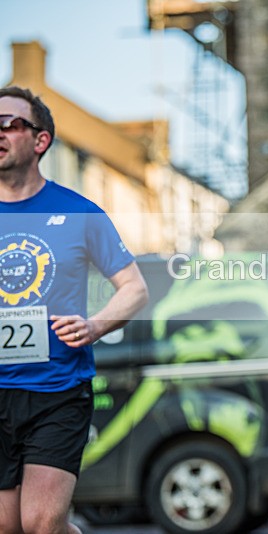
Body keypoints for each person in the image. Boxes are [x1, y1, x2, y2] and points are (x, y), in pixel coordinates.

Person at [0, 86, 148, 534]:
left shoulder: (79, 213)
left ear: (40, 140)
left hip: (57, 389)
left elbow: (134, 289)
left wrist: (94, 325)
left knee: (42, 524)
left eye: (11, 124)